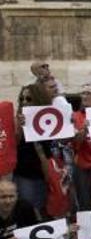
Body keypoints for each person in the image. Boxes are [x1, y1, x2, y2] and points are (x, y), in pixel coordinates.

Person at [13, 84, 52, 212]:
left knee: (44, 210)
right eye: (22, 99)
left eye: (28, 99)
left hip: (46, 174)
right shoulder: (16, 121)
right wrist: (21, 127)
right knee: (28, 209)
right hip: (25, 175)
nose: (24, 102)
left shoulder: (51, 120)